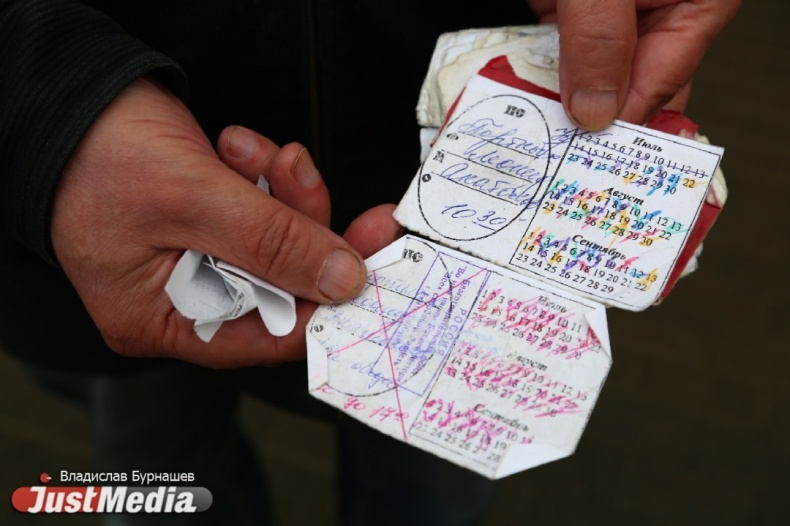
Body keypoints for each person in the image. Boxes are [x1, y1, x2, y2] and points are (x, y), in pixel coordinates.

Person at [0, 1, 739, 524]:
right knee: (160, 477)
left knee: (429, 494)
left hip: (474, 283)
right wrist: (49, 107)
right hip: (105, 249)